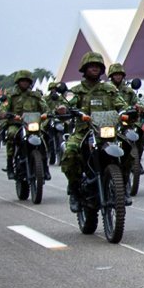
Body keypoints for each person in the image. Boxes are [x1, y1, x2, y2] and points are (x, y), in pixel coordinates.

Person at [58, 52, 126, 212]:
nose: (95, 68)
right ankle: (74, 190)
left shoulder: (109, 89)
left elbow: (121, 104)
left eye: (98, 66)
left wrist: (128, 110)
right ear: (85, 69)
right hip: (84, 131)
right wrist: (62, 109)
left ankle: (123, 185)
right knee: (70, 152)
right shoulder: (76, 91)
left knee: (128, 146)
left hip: (106, 131)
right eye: (91, 66)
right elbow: (67, 104)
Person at [0, 70, 48, 180]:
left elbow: (45, 107)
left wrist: (46, 113)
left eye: (27, 81)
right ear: (18, 82)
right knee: (11, 134)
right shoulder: (11, 95)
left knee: (44, 136)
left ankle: (45, 166)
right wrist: (8, 114)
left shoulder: (35, 95)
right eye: (22, 81)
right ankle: (10, 165)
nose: (25, 83)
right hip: (16, 124)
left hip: (32, 124)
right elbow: (3, 108)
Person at [107, 63, 144, 164]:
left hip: (126, 120)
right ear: (111, 76)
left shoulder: (128, 91)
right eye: (115, 74)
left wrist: (140, 106)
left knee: (140, 133)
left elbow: (137, 101)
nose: (118, 76)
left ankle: (137, 161)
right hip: (108, 121)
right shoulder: (105, 89)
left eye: (120, 74)